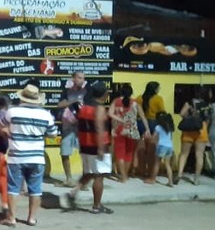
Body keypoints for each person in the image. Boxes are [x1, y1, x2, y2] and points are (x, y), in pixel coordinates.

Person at [0, 84, 58, 226]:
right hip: (37, 157)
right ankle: (31, 218)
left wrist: (7, 132)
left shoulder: (12, 111)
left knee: (13, 188)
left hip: (16, 156)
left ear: (22, 97)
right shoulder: (46, 114)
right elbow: (53, 134)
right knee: (35, 189)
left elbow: (1, 125)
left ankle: (11, 218)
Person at [66, 81, 113, 214]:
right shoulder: (99, 109)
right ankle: (97, 206)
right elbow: (99, 128)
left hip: (85, 145)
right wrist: (101, 148)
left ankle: (73, 193)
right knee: (99, 175)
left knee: (89, 173)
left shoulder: (84, 108)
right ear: (104, 94)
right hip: (97, 146)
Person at [108, 84, 149, 183]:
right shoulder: (135, 103)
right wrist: (147, 129)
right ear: (131, 93)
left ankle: (123, 176)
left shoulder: (116, 101)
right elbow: (143, 116)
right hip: (132, 130)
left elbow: (110, 113)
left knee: (120, 153)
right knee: (129, 153)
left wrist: (120, 120)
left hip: (119, 130)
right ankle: (125, 174)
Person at [57, 71, 87, 187]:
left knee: (85, 154)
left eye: (83, 78)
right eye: (79, 78)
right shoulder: (66, 90)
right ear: (73, 78)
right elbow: (59, 104)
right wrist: (73, 101)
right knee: (65, 152)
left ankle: (84, 181)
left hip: (82, 126)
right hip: (68, 125)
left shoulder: (87, 91)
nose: (81, 80)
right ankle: (69, 178)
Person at [177, 93, 209, 185]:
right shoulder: (205, 105)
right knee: (199, 155)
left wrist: (188, 116)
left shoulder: (189, 103)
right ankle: (196, 179)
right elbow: (207, 119)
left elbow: (181, 114)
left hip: (188, 130)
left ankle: (179, 174)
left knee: (184, 154)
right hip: (201, 130)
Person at [136, 81, 164, 178]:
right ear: (155, 89)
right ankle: (151, 171)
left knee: (141, 150)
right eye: (158, 88)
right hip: (154, 123)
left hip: (141, 123)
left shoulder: (139, 98)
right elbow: (162, 112)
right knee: (152, 151)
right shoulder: (158, 99)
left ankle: (142, 171)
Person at [153, 111, 176, 187]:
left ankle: (153, 179)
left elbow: (154, 137)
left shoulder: (158, 127)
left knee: (157, 163)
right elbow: (171, 138)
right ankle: (170, 182)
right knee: (167, 165)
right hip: (169, 146)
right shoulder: (170, 127)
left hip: (161, 145)